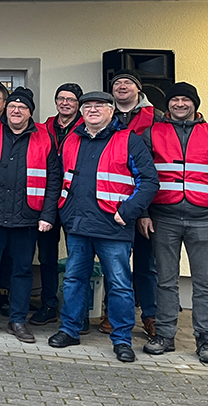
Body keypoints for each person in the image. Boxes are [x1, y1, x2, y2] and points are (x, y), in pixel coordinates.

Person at [48, 91, 159, 363]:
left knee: (120, 285)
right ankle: (70, 329)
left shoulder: (128, 140)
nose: (93, 110)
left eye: (99, 106)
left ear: (111, 111)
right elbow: (59, 177)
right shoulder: (72, 140)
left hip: (113, 226)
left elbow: (149, 181)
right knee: (74, 280)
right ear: (81, 112)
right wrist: (63, 211)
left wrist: (128, 211)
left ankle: (122, 339)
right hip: (78, 224)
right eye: (88, 106)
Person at [140, 82, 208, 364]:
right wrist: (144, 213)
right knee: (166, 281)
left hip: (202, 219)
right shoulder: (153, 133)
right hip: (164, 218)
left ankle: (206, 340)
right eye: (175, 100)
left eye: (186, 100)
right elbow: (144, 179)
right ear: (167, 104)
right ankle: (165, 335)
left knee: (204, 283)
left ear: (195, 104)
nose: (180, 104)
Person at [0, 87, 60, 343]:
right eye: (12, 107)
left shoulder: (45, 136)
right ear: (5, 110)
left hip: (28, 215)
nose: (16, 111)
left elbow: (54, 179)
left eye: (22, 107)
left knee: (22, 270)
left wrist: (47, 214)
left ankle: (17, 321)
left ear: (30, 112)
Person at [107, 69, 162, 337]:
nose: (122, 86)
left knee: (145, 264)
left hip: (144, 204)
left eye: (127, 82)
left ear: (139, 89)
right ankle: (113, 312)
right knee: (114, 262)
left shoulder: (156, 118)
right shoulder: (105, 117)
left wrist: (144, 210)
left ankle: (150, 316)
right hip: (113, 203)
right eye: (117, 83)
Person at [31, 82, 83, 326]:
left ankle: (78, 312)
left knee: (78, 257)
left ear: (78, 104)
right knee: (48, 257)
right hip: (48, 200)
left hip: (76, 201)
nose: (65, 103)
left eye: (71, 99)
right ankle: (48, 304)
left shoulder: (87, 127)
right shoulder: (42, 128)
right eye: (61, 98)